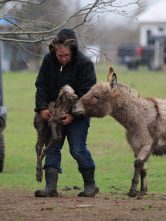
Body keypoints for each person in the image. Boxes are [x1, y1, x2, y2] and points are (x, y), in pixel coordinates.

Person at [34, 28, 99, 197]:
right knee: (52, 147)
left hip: (79, 115)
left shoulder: (85, 64)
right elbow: (41, 85)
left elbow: (87, 95)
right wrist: (42, 108)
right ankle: (50, 187)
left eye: (66, 56)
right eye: (59, 56)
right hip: (53, 112)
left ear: (73, 51)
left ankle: (90, 186)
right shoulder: (49, 60)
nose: (62, 59)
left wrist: (73, 115)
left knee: (77, 150)